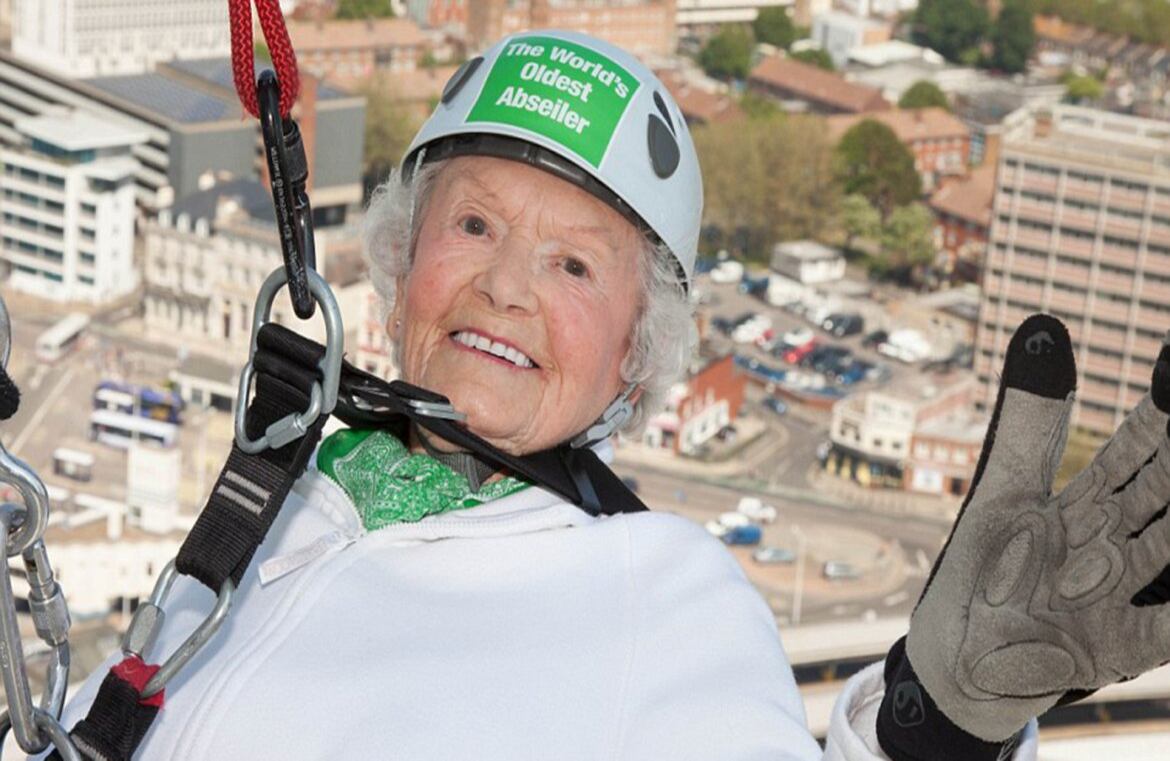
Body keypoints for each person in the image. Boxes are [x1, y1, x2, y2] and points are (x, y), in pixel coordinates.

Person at [47, 30, 1170, 761]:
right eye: (474, 225)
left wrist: (936, 725)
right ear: (399, 268)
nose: (504, 285)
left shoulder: (657, 592)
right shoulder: (281, 497)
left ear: (636, 357)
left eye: (575, 265)